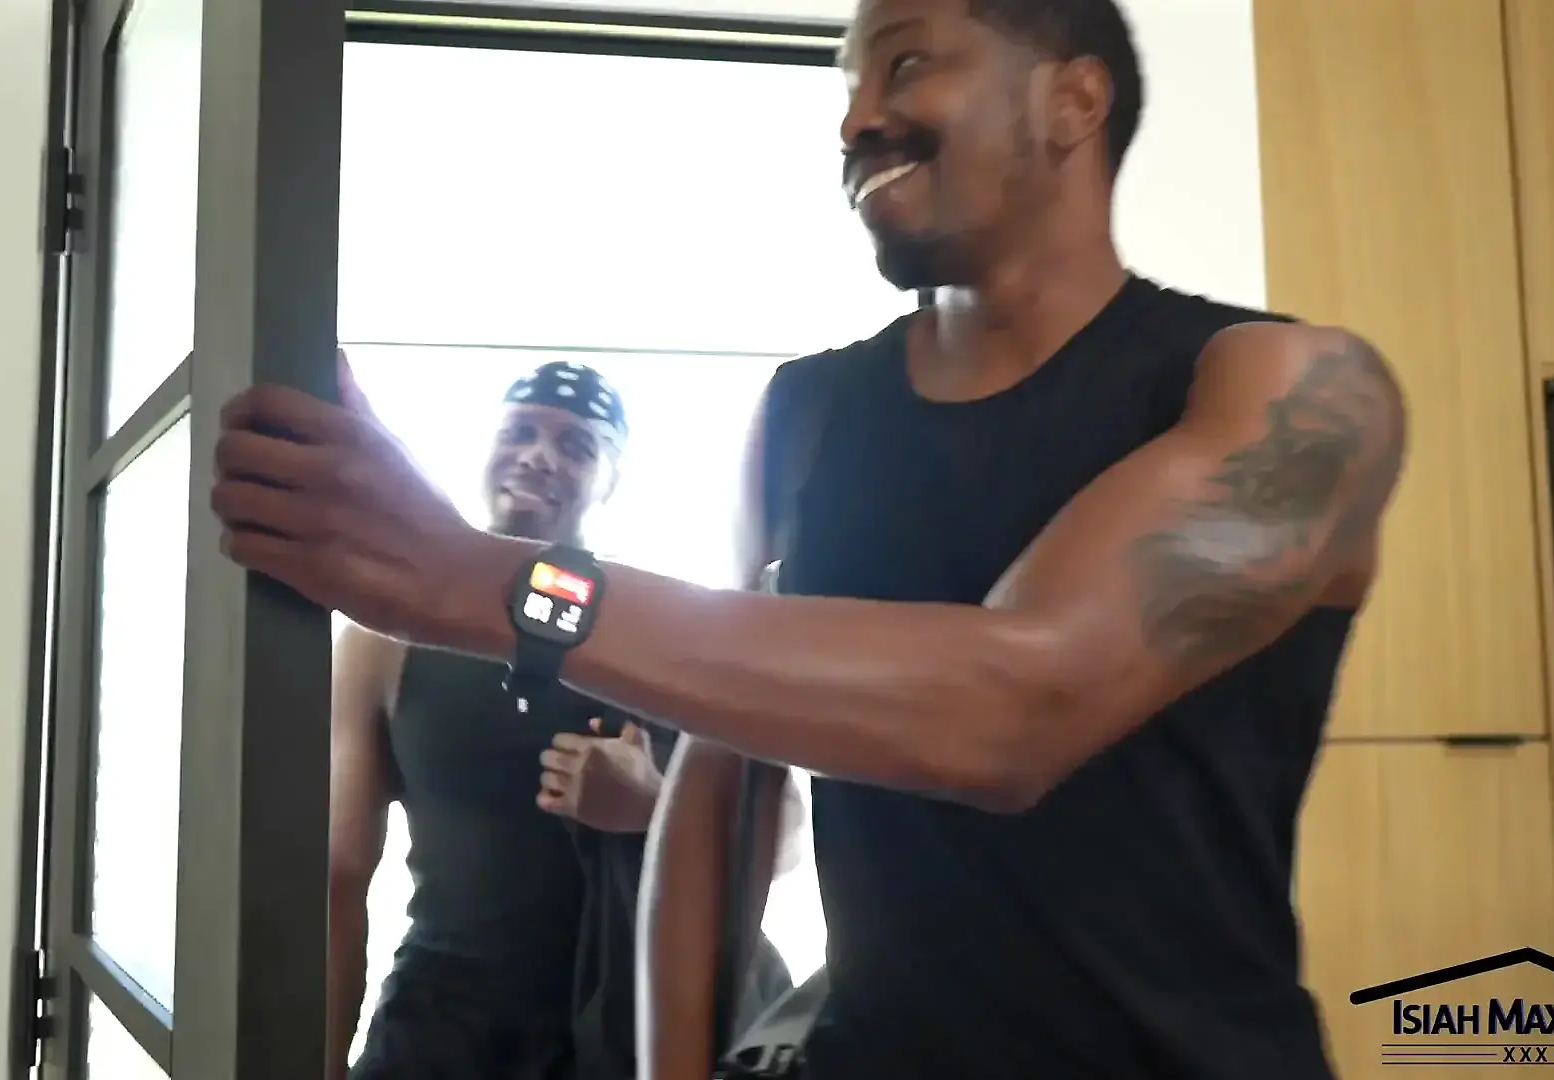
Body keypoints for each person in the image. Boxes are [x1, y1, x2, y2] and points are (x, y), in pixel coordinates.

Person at [209, 0, 1409, 1073]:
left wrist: (490, 583)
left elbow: (1015, 708)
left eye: (907, 65)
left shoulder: (1293, 394)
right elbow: (725, 776)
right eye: (849, 86)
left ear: (1072, 99)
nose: (857, 121)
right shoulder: (808, 411)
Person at [326, 361, 797, 1080]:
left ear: (610, 481)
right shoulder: (384, 640)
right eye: (519, 431)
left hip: (633, 1040)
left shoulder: (662, 627)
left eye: (576, 445)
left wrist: (654, 806)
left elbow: (784, 835)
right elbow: (337, 876)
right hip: (443, 1038)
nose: (538, 455)